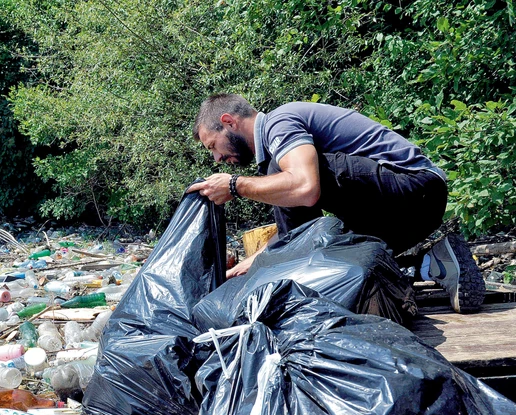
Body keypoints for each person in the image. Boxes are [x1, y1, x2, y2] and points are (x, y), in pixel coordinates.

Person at [187, 94, 484, 313]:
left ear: (228, 122)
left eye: (213, 146)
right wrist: (253, 263)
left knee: (286, 178)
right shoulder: (276, 147)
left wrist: (234, 185)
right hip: (404, 215)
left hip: (416, 187)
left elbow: (305, 189)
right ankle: (433, 264)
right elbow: (297, 231)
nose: (217, 158)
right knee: (341, 256)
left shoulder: (279, 122)